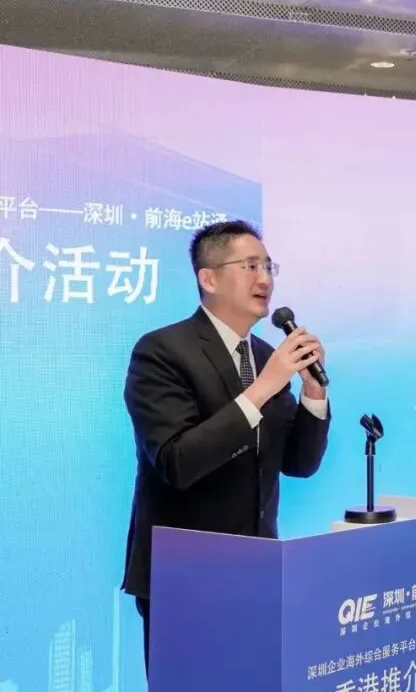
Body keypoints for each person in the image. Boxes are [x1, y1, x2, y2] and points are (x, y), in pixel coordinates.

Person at [120, 220, 331, 677]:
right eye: (250, 265)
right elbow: (177, 461)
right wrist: (265, 386)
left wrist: (314, 392)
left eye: (269, 267)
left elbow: (298, 463)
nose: (265, 279)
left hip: (258, 571)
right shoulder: (161, 351)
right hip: (185, 578)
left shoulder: (264, 355)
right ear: (209, 278)